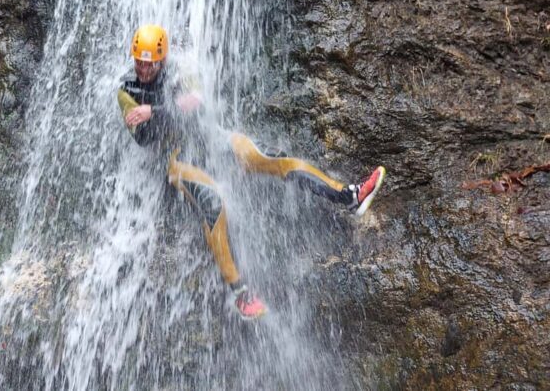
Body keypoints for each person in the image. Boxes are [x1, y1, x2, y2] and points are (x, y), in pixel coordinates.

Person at [117, 24, 386, 320]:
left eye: (149, 63)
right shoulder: (126, 89)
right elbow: (144, 138)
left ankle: (349, 196)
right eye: (139, 62)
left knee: (272, 158)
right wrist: (166, 112)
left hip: (210, 137)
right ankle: (240, 292)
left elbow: (194, 105)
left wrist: (154, 111)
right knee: (213, 201)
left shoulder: (181, 70)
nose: (143, 68)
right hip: (178, 158)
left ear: (162, 59)